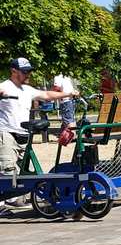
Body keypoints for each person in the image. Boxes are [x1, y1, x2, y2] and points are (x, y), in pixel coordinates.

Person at [0, 58, 79, 216]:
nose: (28, 74)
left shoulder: (27, 89)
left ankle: (12, 199)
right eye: (25, 71)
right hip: (6, 132)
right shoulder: (4, 86)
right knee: (6, 170)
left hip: (23, 133)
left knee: (20, 171)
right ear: (13, 71)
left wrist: (68, 93)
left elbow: (47, 95)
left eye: (29, 71)